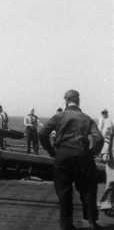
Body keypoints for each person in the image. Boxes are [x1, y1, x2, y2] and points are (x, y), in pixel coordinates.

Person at [39, 89, 103, 230]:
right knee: (88, 190)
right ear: (78, 101)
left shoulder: (59, 116)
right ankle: (92, 222)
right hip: (83, 157)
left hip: (62, 156)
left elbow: (42, 133)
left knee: (64, 192)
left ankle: (67, 225)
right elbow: (99, 138)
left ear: (66, 101)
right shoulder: (87, 118)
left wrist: (51, 151)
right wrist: (92, 153)